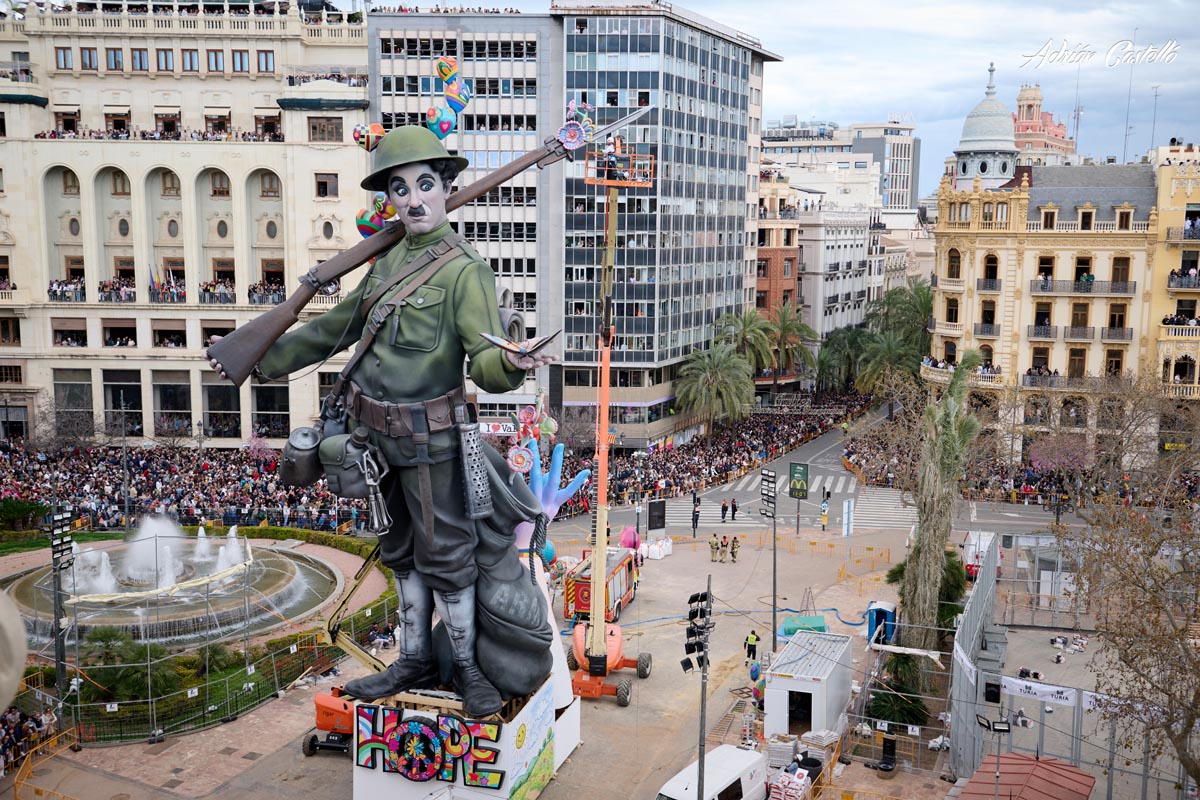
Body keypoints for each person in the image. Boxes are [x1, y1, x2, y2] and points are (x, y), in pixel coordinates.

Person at [208, 126, 556, 718]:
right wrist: (258, 360)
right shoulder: (388, 259)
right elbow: (334, 327)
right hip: (372, 442)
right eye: (400, 189)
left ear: (446, 189)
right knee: (399, 554)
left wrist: (514, 363)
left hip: (433, 444)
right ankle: (413, 656)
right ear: (389, 199)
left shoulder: (466, 270)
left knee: (448, 562)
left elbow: (486, 358)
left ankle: (469, 669)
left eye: (425, 184)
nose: (415, 200)